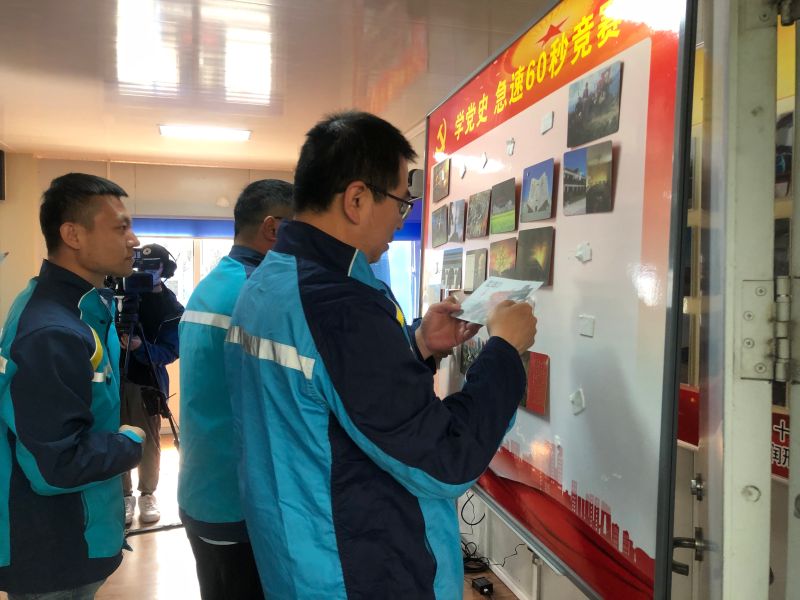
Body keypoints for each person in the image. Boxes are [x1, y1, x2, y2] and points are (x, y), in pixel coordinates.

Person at [224, 111, 537, 599]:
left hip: (300, 555)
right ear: (356, 199)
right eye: (401, 201)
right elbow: (445, 459)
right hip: (358, 568)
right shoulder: (339, 305)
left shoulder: (271, 279)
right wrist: (504, 351)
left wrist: (419, 343)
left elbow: (328, 393)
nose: (401, 218)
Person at [0, 173, 145, 599]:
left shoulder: (77, 309)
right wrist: (129, 443)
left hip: (74, 533)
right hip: (54, 547)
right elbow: (55, 466)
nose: (134, 240)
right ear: (73, 235)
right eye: (120, 227)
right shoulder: (53, 330)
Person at [178, 179, 293, 599]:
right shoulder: (257, 293)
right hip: (239, 500)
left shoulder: (214, 283)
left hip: (204, 488)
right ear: (273, 228)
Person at [119, 243, 184, 525]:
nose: (145, 272)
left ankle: (147, 494)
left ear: (164, 268)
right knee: (117, 438)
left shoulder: (172, 308)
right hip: (114, 379)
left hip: (147, 381)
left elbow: (171, 351)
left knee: (148, 440)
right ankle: (124, 495)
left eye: (152, 266)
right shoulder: (123, 294)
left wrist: (139, 348)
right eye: (141, 266)